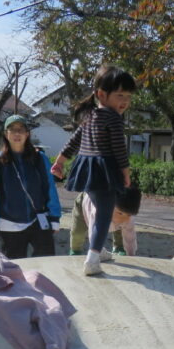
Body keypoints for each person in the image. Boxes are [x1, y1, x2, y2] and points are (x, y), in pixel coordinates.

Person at [51, 65, 136, 276]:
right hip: (104, 171)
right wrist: (126, 173)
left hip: (86, 170)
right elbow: (118, 149)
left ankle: (98, 250)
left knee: (98, 212)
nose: (124, 101)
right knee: (104, 216)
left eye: (128, 96)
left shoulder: (90, 116)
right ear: (101, 94)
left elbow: (73, 141)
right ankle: (93, 258)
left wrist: (59, 161)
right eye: (119, 95)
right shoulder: (113, 118)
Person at [0, 115, 62, 258]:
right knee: (14, 270)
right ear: (5, 134)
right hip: (9, 223)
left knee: (47, 263)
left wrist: (54, 216)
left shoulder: (39, 158)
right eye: (12, 129)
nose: (17, 133)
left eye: (21, 129)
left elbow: (50, 188)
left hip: (38, 219)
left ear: (27, 134)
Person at [68, 185, 142, 258]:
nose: (123, 218)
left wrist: (131, 255)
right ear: (110, 205)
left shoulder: (128, 217)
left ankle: (119, 247)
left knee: (122, 229)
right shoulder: (98, 211)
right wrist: (97, 251)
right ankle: (75, 250)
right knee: (78, 232)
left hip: (112, 210)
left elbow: (130, 237)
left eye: (129, 215)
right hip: (83, 205)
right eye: (120, 213)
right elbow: (93, 234)